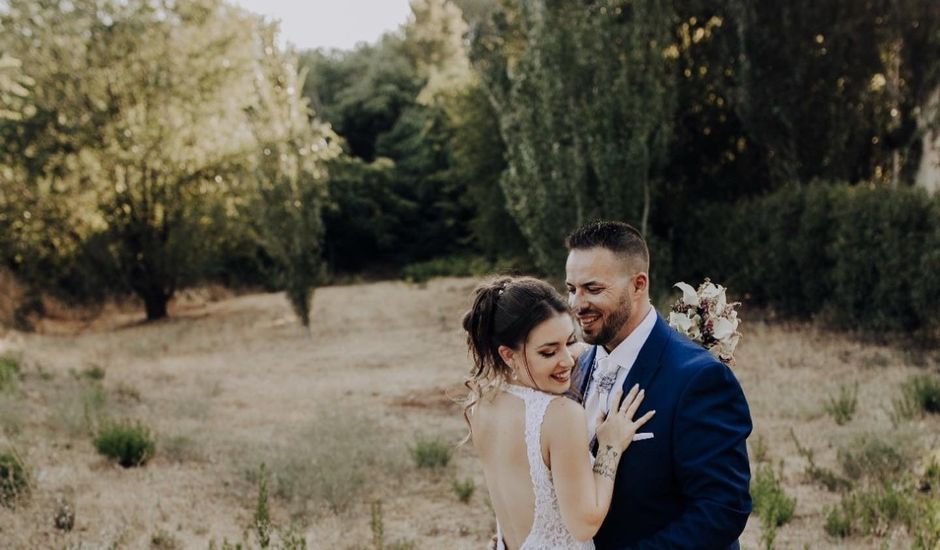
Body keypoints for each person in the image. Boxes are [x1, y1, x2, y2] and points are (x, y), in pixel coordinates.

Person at [565, 220, 752, 549]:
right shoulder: (576, 366)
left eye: (593, 289)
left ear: (638, 285)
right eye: (571, 289)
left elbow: (721, 509)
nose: (577, 304)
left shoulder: (699, 379)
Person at [462, 276, 655, 550]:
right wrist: (609, 447)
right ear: (508, 355)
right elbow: (585, 523)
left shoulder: (483, 402)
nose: (566, 360)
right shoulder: (560, 415)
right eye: (549, 352)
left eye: (569, 341)